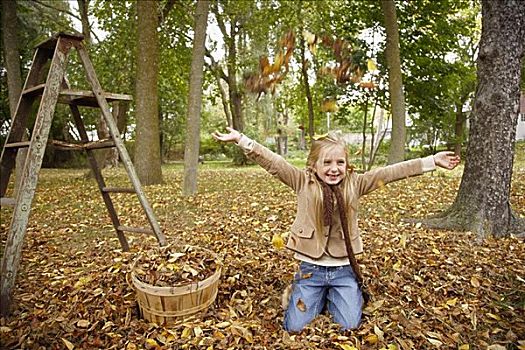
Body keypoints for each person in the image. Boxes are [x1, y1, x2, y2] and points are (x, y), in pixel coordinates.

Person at [212, 127, 460, 333]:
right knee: (294, 328)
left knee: (349, 324)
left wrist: (431, 161)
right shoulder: (302, 181)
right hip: (310, 269)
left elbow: (392, 172)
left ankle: (336, 297)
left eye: (340, 162)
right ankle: (307, 293)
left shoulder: (356, 183)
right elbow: (273, 162)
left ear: (347, 165)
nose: (334, 168)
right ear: (314, 165)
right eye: (327, 162)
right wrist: (243, 141)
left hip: (343, 270)